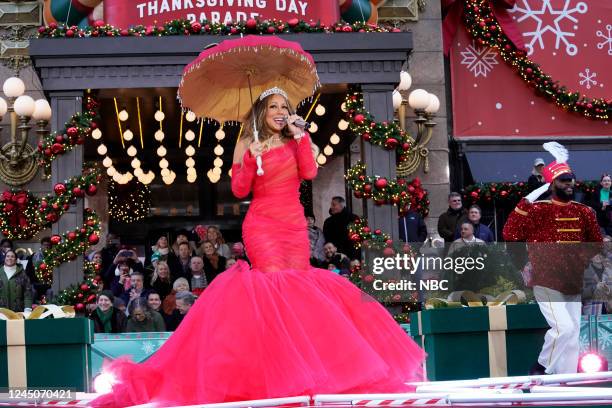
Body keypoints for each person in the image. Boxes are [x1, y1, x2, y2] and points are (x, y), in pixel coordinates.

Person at [92, 87, 424, 407]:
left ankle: (309, 372)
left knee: (299, 293)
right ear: (262, 113)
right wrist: (251, 157)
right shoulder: (247, 143)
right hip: (262, 225)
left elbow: (309, 172)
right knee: (271, 293)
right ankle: (274, 376)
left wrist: (301, 136)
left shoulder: (297, 140)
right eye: (274, 107)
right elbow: (238, 189)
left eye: (285, 107)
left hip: (293, 225)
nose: (280, 112)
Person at [503, 143, 602, 375]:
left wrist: (580, 258)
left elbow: (595, 241)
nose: (570, 184)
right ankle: (541, 367)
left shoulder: (584, 211)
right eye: (564, 180)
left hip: (573, 281)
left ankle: (565, 381)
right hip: (546, 279)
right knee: (563, 329)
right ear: (551, 184)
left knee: (573, 335)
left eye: (571, 179)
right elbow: (510, 232)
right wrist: (533, 194)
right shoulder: (538, 210)